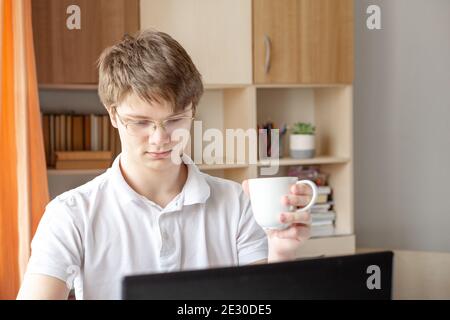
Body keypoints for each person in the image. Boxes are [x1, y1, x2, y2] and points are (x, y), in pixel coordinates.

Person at [17, 30, 313, 300]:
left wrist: (281, 251)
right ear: (113, 115)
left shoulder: (236, 203)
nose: (160, 138)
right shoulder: (70, 213)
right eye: (141, 122)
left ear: (192, 110)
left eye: (174, 120)